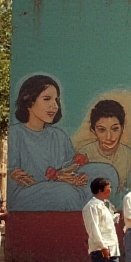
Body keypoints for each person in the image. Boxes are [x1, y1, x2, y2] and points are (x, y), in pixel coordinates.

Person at [8, 75, 120, 211]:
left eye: (56, 100)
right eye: (47, 99)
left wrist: (75, 177)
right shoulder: (15, 134)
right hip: (28, 194)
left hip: (62, 186)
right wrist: (60, 178)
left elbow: (70, 166)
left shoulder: (58, 135)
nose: (54, 106)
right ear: (29, 101)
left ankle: (101, 217)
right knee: (65, 193)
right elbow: (20, 178)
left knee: (106, 172)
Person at [77, 99, 131, 192]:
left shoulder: (129, 156)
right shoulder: (84, 154)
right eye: (102, 130)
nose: (109, 137)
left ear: (122, 128)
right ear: (93, 130)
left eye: (115, 129)